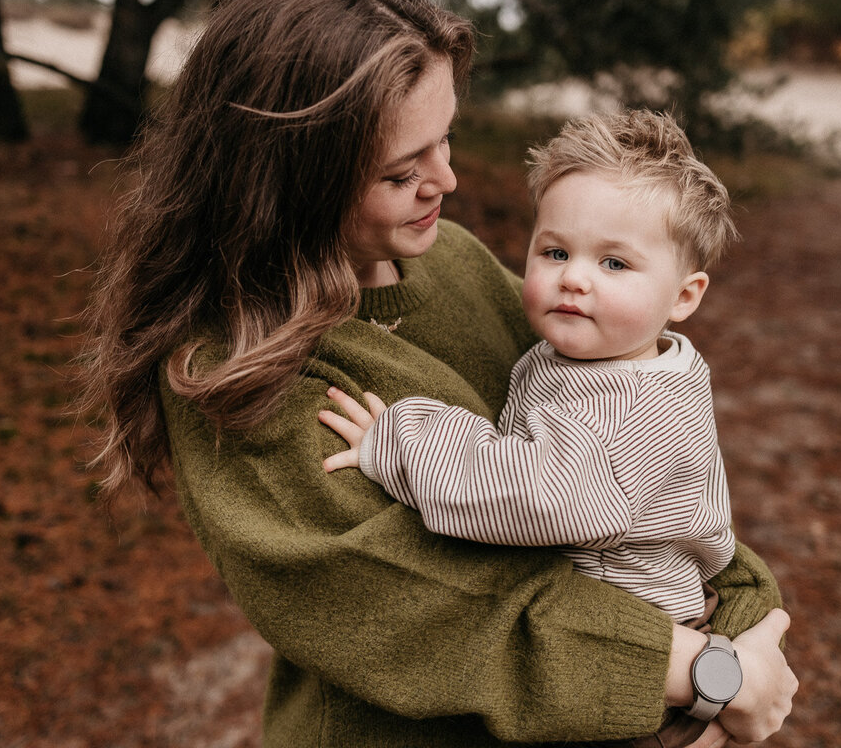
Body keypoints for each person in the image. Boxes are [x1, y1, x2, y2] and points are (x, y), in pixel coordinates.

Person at [80, 0, 797, 748]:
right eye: (400, 170)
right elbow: (454, 613)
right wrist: (709, 673)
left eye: (444, 139)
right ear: (289, 178)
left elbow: (636, 455)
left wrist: (742, 617)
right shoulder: (239, 372)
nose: (447, 180)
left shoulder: (447, 257)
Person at [320, 109, 752, 746]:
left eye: (615, 265)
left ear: (684, 297)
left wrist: (403, 441)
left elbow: (536, 494)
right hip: (604, 655)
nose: (573, 277)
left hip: (620, 678)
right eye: (555, 252)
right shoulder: (601, 355)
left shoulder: (629, 402)